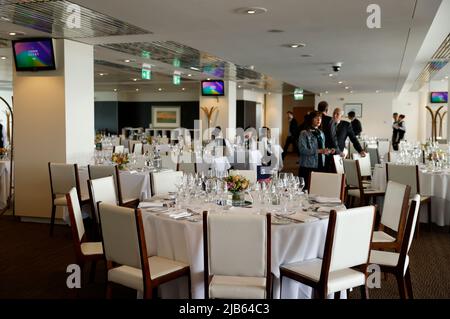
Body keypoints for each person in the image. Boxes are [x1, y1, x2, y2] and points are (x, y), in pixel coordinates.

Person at [298, 111, 331, 190]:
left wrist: (327, 151)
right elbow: (302, 150)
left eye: (320, 118)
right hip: (308, 165)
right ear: (311, 119)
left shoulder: (321, 133)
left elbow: (322, 148)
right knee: (307, 189)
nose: (319, 120)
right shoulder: (304, 133)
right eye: (316, 118)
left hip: (320, 165)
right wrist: (319, 151)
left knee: (318, 189)